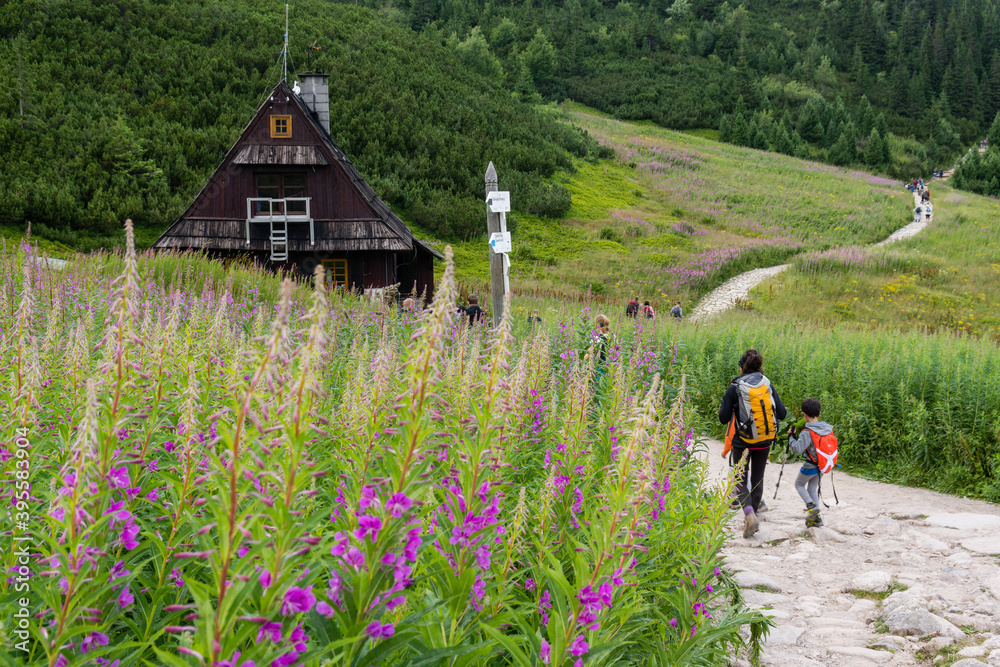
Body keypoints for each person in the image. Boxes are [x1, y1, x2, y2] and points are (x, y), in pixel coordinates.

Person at [718, 349, 787, 538]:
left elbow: (723, 418)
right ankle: (754, 516)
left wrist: (734, 407)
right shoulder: (767, 384)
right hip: (765, 440)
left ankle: (749, 514)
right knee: (757, 479)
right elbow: (782, 414)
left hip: (743, 441)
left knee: (740, 478)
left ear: (741, 368)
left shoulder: (735, 387)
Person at [788, 398, 837, 528]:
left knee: (799, 484)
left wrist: (791, 438)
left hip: (810, 465)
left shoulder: (807, 432)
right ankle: (816, 518)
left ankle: (811, 507)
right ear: (819, 413)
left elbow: (797, 449)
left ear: (804, 414)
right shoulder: (827, 428)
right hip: (823, 465)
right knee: (812, 488)